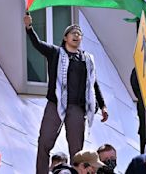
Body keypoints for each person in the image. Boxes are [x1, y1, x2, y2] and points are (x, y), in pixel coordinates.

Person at [24, 14, 109, 174]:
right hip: (55, 105)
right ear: (65, 37)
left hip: (77, 107)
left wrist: (103, 105)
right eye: (73, 33)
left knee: (77, 152)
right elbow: (37, 44)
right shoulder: (56, 53)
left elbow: (93, 83)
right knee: (44, 143)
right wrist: (29, 28)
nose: (77, 35)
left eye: (79, 33)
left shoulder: (87, 59)